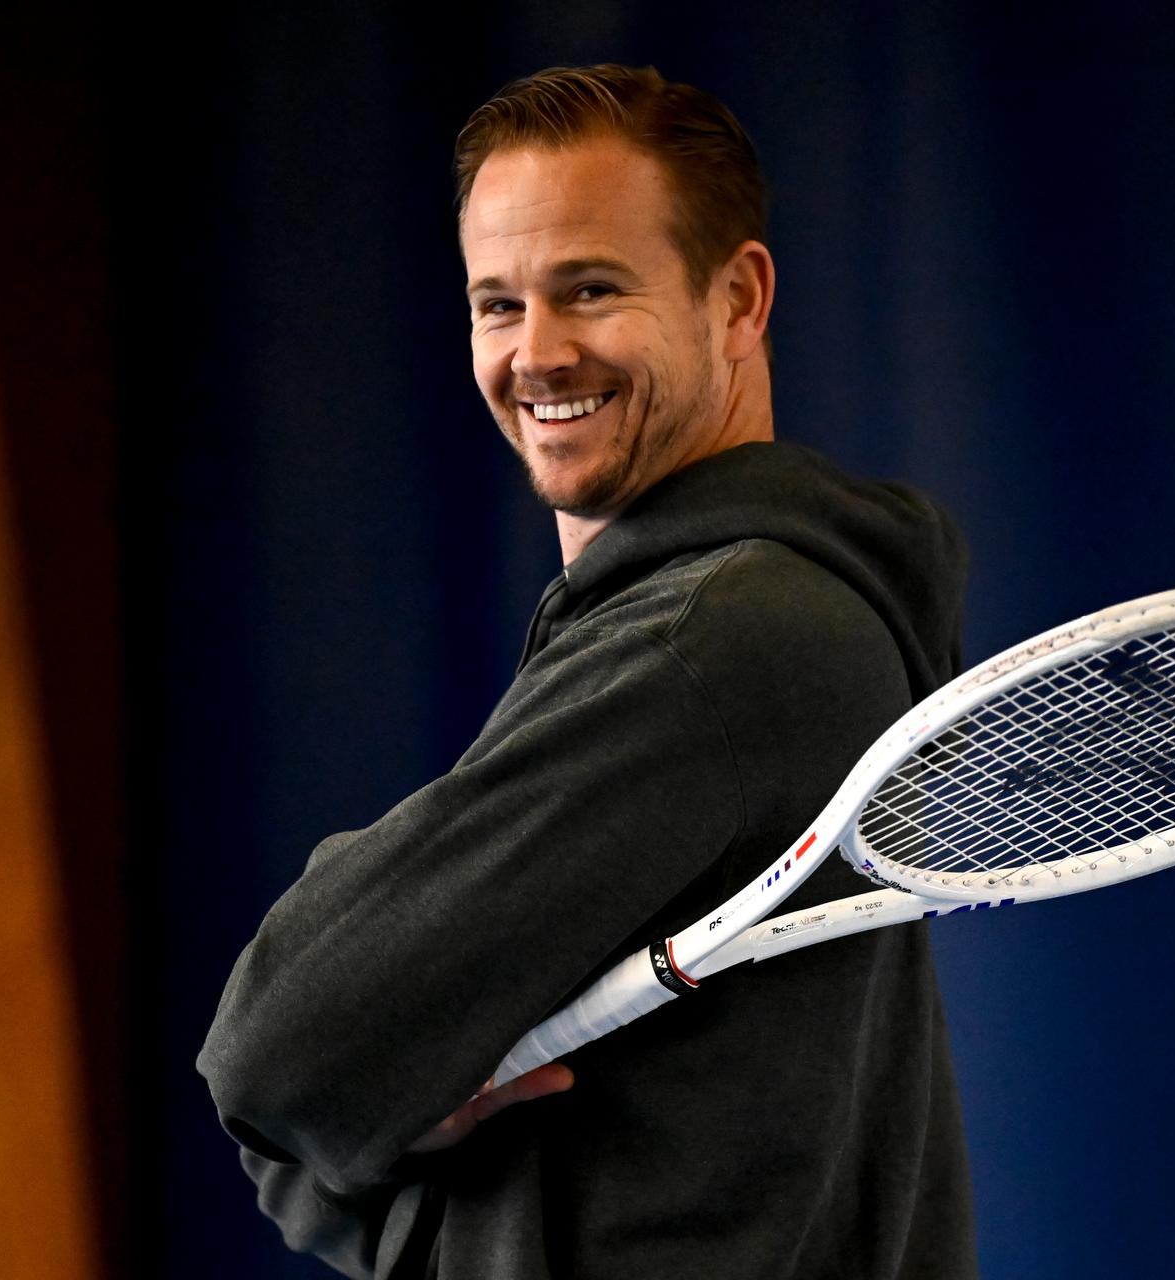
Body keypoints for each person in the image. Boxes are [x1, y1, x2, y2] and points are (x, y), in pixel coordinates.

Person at [198, 64, 977, 1279]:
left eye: (592, 290)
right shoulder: (754, 617)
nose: (538, 353)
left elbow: (274, 1043)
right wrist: (385, 1136)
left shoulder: (718, 641)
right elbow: (295, 1111)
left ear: (739, 300)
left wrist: (374, 1114)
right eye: (496, 304)